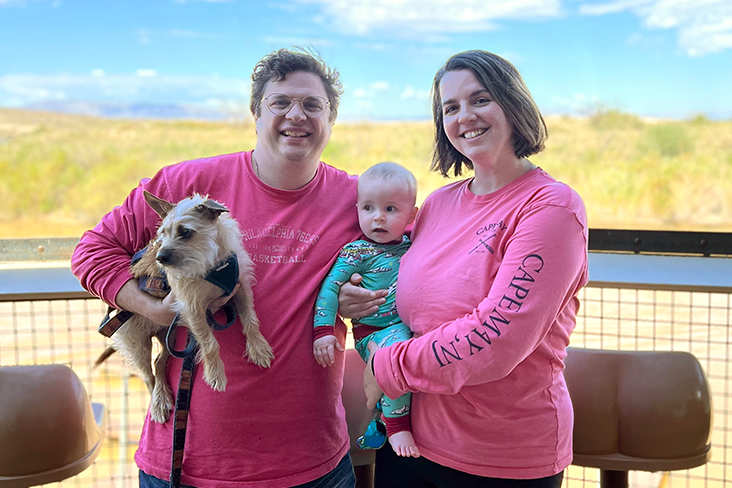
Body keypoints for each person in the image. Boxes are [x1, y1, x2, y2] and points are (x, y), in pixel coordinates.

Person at [72, 48, 363, 488]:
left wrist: (366, 295)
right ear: (256, 113)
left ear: (331, 117)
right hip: (187, 464)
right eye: (279, 102)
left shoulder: (357, 200)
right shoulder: (186, 186)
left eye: (312, 104)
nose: (296, 115)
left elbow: (411, 263)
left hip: (312, 465)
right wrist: (153, 309)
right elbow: (93, 252)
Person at [340, 50, 589, 488]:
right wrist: (355, 297)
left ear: (512, 103)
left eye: (480, 99)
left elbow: (497, 337)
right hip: (412, 441)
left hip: (503, 456)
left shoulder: (551, 207)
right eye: (450, 107)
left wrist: (386, 366)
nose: (464, 116)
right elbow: (396, 282)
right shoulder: (436, 204)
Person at [313, 162, 420, 458]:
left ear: (411, 215)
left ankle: (378, 423)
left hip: (406, 326)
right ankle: (397, 426)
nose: (378, 218)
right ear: (358, 209)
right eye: (369, 208)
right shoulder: (356, 252)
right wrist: (322, 332)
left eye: (390, 209)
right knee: (397, 355)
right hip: (374, 333)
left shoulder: (412, 245)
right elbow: (330, 288)